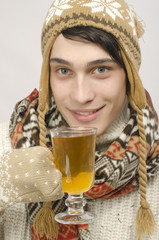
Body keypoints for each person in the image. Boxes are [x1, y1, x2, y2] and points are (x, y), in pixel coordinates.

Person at [0, 0, 159, 239]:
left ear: (130, 76)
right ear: (48, 77)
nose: (81, 96)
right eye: (64, 71)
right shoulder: (6, 149)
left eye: (101, 69)